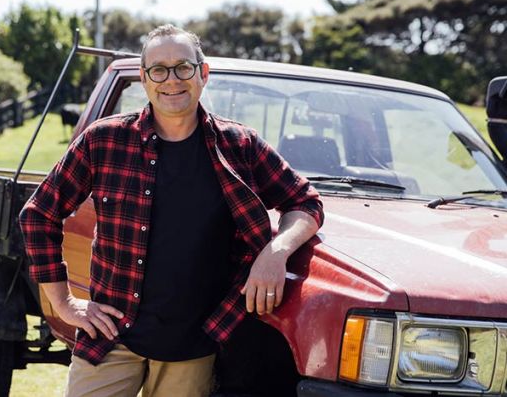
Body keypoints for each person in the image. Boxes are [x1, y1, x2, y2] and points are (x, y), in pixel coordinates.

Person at [19, 24, 324, 397]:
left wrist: (276, 252)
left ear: (203, 73)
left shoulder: (239, 146)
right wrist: (64, 304)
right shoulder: (104, 140)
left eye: (182, 67)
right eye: (158, 70)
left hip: (192, 347)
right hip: (110, 337)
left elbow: (304, 201)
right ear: (144, 80)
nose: (172, 80)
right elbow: (38, 214)